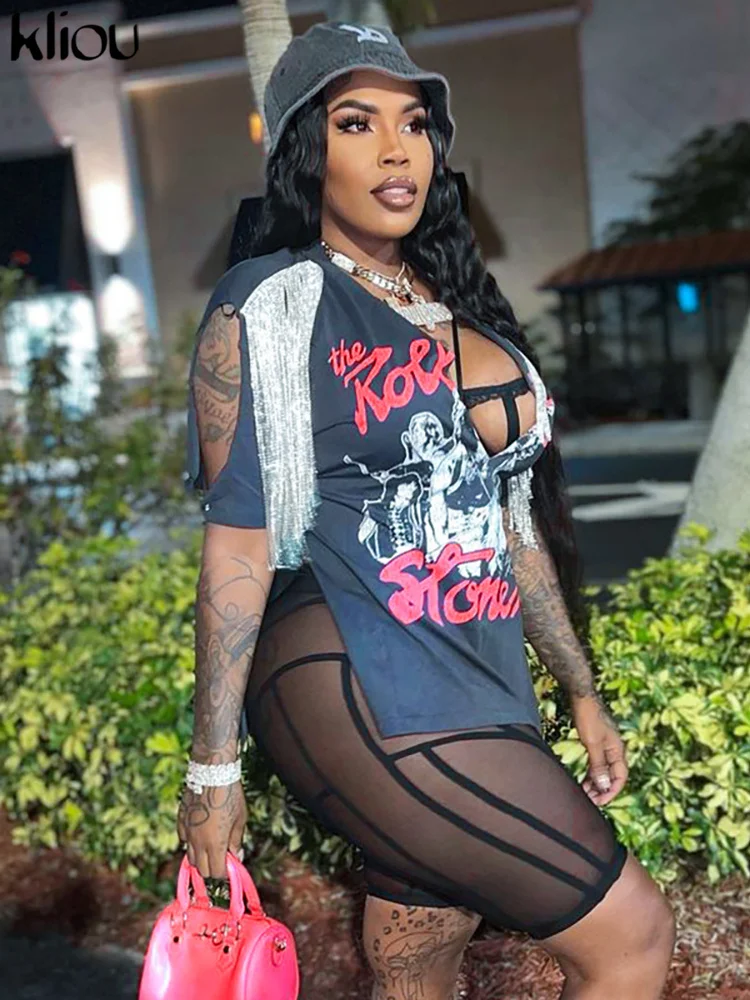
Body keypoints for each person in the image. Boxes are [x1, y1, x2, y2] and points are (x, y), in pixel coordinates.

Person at [178, 21, 676, 1000]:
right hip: (355, 667)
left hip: (473, 671)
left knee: (421, 950)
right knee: (633, 936)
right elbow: (238, 542)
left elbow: (509, 526)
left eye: (413, 123)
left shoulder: (454, 304)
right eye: (356, 123)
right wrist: (212, 769)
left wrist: (579, 687)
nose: (396, 149)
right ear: (305, 151)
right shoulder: (270, 303)